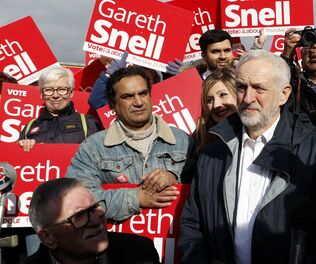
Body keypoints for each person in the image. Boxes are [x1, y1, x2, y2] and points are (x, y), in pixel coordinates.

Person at [178, 50, 316, 264]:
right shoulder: (212, 154)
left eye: (259, 88)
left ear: (284, 94)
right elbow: (193, 227)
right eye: (241, 87)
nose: (247, 98)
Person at [65, 66, 191, 221]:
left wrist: (174, 176)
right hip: (120, 240)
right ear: (112, 105)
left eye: (143, 93)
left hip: (172, 241)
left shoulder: (182, 139)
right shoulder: (93, 147)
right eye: (128, 96)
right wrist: (135, 198)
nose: (138, 102)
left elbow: (204, 188)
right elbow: (77, 199)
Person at [26, 178, 160, 264]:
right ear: (48, 237)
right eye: (79, 216)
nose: (96, 220)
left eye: (95, 207)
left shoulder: (140, 253)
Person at [18, 66, 101, 152]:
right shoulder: (30, 127)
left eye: (62, 89)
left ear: (71, 93)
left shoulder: (88, 123)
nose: (55, 96)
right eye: (49, 90)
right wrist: (22, 148)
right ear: (41, 94)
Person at [181, 67, 238, 183]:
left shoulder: (256, 134)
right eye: (209, 100)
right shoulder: (199, 140)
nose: (216, 105)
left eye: (223, 95)